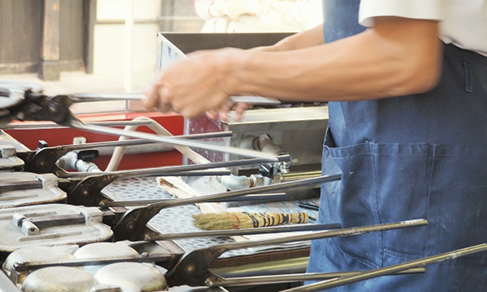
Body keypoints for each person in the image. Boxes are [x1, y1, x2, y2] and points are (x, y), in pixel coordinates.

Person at [145, 0, 487, 290]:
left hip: (434, 187)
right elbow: (355, 24)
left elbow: (403, 55)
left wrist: (229, 72)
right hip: (362, 192)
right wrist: (270, 58)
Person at [194, 0, 322, 33]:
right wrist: (214, 7)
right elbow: (200, 5)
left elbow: (306, 15)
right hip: (216, 32)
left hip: (267, 36)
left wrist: (248, 5)